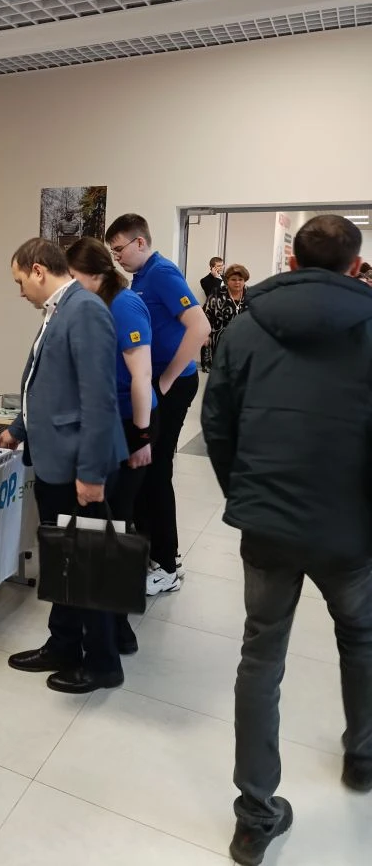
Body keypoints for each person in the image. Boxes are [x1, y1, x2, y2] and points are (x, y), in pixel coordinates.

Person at [201, 215, 372, 866]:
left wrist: (245, 496)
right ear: (355, 267)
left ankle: (254, 818)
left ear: (291, 262)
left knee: (260, 658)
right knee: (361, 638)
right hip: (350, 528)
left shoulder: (245, 329)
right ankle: (363, 756)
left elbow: (217, 426)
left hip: (268, 524)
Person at [0, 238, 129, 694]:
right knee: (64, 562)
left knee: (87, 565)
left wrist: (90, 475)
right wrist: (19, 427)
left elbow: (98, 399)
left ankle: (104, 664)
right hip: (57, 460)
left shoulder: (85, 310)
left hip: (79, 467)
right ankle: (64, 644)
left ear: (38, 270)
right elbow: (45, 384)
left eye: (20, 281)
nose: (20, 292)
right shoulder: (59, 310)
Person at [106, 214, 210, 594]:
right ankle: (158, 553)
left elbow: (201, 328)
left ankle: (167, 565)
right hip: (159, 384)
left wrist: (164, 381)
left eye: (119, 249)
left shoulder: (162, 272)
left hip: (173, 385)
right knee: (147, 473)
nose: (117, 257)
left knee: (157, 470)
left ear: (140, 242)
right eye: (112, 252)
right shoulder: (140, 278)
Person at [66, 236, 159, 655]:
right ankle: (112, 623)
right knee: (108, 526)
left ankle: (119, 628)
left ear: (95, 273)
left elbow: (141, 376)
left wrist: (141, 437)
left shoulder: (124, 305)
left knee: (116, 527)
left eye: (74, 277)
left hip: (131, 423)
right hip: (113, 422)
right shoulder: (97, 303)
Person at [201, 263, 250, 373]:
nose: (237, 282)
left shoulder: (251, 294)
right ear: (227, 280)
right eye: (233, 279)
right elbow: (206, 315)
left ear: (245, 280)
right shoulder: (217, 293)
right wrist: (205, 335)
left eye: (240, 279)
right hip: (219, 340)